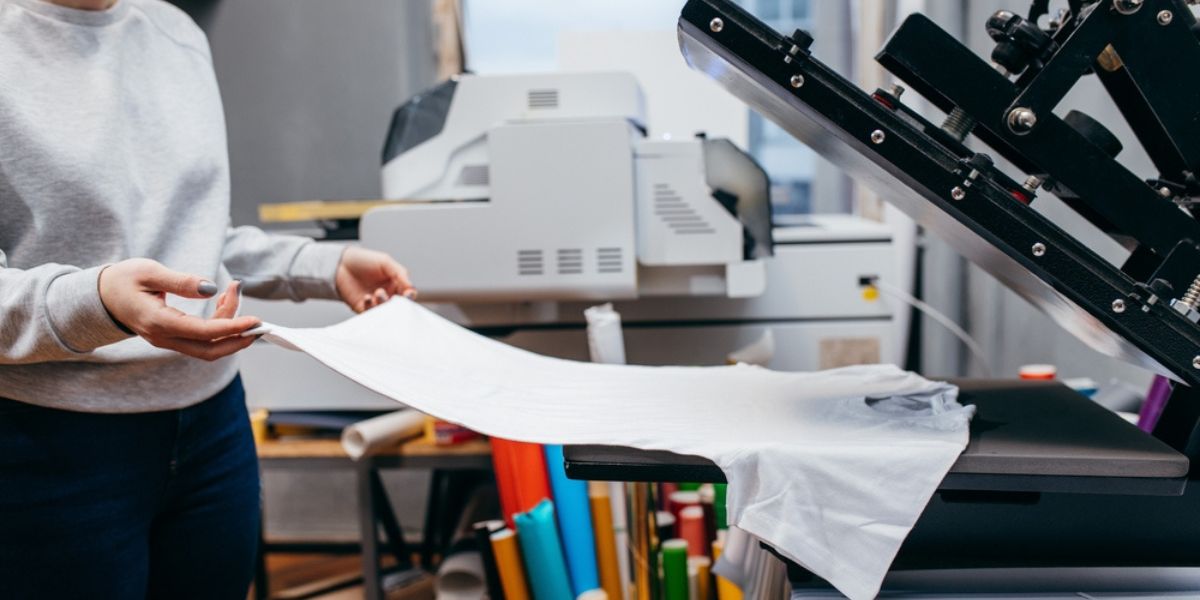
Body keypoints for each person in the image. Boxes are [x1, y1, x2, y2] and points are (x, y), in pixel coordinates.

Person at [0, 0, 415, 597]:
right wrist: (98, 301)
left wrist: (324, 265)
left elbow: (196, 241)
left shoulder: (176, 33)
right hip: (50, 446)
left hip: (213, 431)